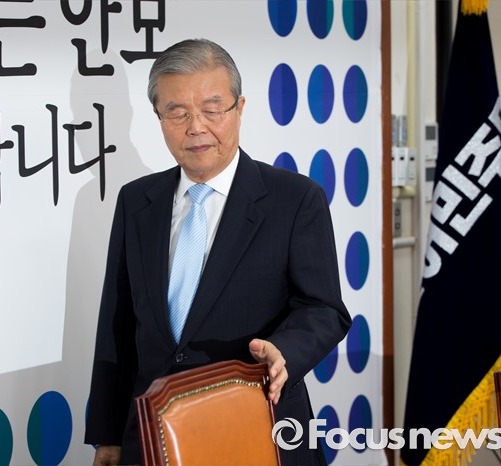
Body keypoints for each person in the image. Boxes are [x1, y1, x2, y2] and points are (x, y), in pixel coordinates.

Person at [85, 38, 351, 466]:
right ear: (158, 117)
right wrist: (108, 434)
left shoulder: (295, 199)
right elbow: (117, 324)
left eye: (212, 109)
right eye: (177, 112)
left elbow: (324, 308)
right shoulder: (136, 201)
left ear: (239, 108)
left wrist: (285, 350)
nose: (196, 127)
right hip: (153, 436)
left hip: (258, 429)